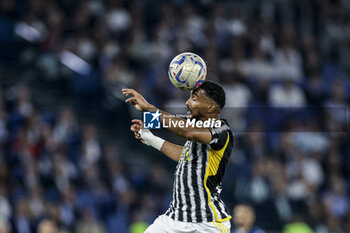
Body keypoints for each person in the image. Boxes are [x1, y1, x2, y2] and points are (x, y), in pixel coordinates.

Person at [122, 81, 234, 233]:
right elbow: (186, 156)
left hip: (207, 224)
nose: (187, 103)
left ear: (211, 107)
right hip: (173, 219)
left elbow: (188, 132)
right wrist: (151, 138)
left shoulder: (222, 130)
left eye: (194, 99)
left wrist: (149, 109)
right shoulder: (196, 128)